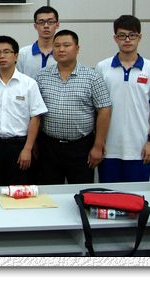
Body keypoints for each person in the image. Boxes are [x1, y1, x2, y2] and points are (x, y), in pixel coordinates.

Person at [95, 15, 150, 183]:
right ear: (115, 38)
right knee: (108, 195)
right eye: (122, 35)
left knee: (136, 196)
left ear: (139, 37)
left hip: (139, 149)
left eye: (132, 35)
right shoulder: (102, 67)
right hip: (108, 149)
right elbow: (97, 108)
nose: (127, 40)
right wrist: (98, 142)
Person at [34, 30, 112, 185]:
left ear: (77, 48)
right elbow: (35, 113)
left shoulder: (92, 77)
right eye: (57, 46)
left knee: (80, 191)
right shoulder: (41, 76)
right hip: (48, 146)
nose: (61, 49)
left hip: (81, 147)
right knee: (49, 192)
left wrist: (98, 146)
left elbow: (104, 110)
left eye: (66, 45)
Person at [0, 36, 47, 186]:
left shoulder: (29, 84)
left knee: (18, 191)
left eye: (6, 52)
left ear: (16, 56)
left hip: (19, 145)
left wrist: (28, 148)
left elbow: (36, 117)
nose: (2, 56)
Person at [17, 6, 60, 78]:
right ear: (35, 26)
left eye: (50, 22)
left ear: (57, 25)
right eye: (41, 22)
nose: (46, 26)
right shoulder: (23, 53)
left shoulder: (62, 53)